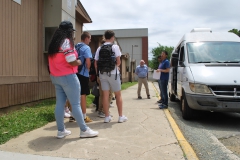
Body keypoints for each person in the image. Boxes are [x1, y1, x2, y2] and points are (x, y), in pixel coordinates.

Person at [47, 20, 98, 138]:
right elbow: (70, 59)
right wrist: (79, 62)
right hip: (68, 76)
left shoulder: (54, 43)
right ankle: (84, 130)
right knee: (75, 104)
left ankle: (61, 131)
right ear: (69, 31)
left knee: (60, 103)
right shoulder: (66, 41)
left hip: (55, 76)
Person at [95, 30, 127, 123]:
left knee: (105, 95)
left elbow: (96, 63)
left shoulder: (99, 48)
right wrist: (116, 67)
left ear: (104, 37)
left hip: (102, 74)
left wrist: (98, 74)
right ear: (112, 37)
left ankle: (107, 116)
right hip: (113, 73)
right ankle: (120, 116)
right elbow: (118, 61)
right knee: (118, 94)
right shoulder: (115, 46)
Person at [75, 31, 93, 123]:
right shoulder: (86, 48)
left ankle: (73, 115)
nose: (90, 40)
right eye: (89, 38)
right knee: (83, 95)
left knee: (74, 94)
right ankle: (84, 116)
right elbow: (88, 60)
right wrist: (89, 69)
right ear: (86, 38)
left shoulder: (76, 46)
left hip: (74, 72)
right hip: (83, 73)